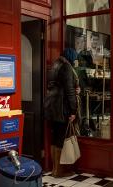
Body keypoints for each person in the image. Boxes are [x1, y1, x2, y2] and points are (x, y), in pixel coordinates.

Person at [45, 48, 80, 177]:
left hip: (51, 106)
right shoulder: (66, 67)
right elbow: (69, 90)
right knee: (60, 139)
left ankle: (55, 169)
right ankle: (59, 171)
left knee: (55, 139)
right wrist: (73, 110)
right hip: (61, 107)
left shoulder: (55, 65)